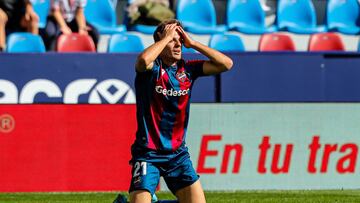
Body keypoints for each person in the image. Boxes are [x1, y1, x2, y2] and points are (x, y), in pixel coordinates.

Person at [129, 19, 233, 203]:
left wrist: (192, 43)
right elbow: (143, 60)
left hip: (177, 155)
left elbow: (226, 64)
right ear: (160, 43)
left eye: (180, 40)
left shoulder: (188, 70)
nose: (178, 44)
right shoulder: (152, 69)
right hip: (148, 154)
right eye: (172, 40)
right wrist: (165, 37)